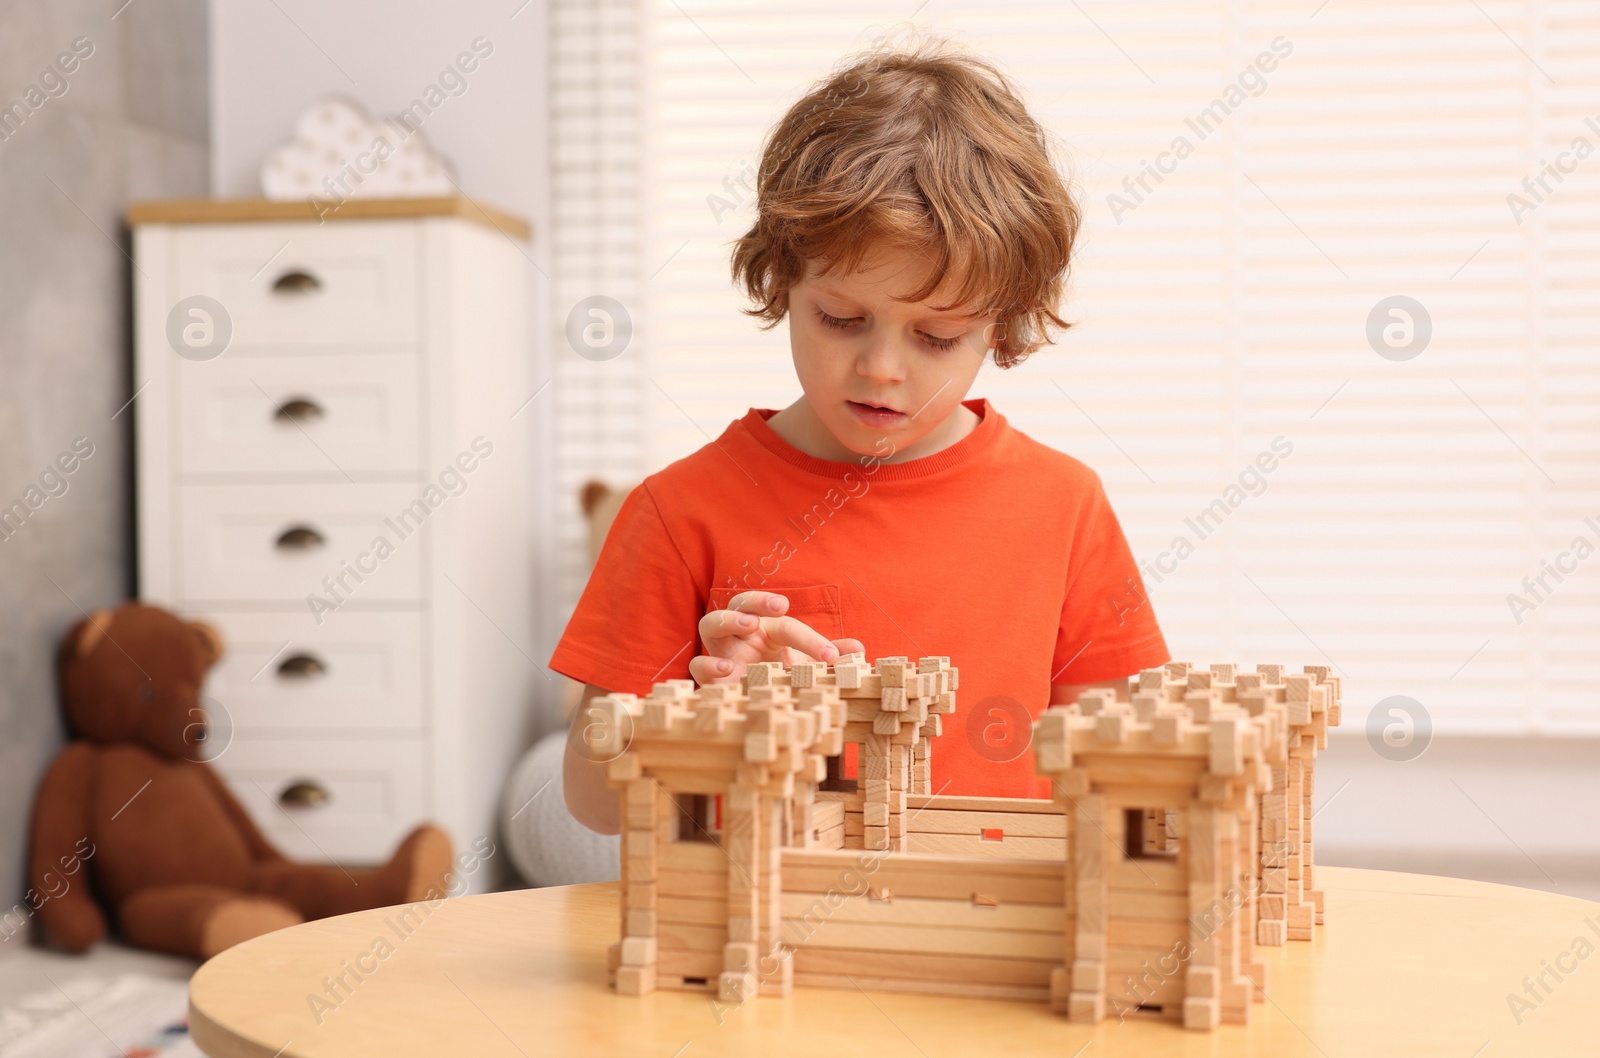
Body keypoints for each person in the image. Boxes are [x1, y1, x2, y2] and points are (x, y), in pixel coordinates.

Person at [553, 36, 1169, 835]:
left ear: (1005, 323)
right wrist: (705, 726)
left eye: (937, 336)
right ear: (781, 278)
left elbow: (1124, 775)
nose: (882, 369)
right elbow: (591, 801)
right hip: (773, 935)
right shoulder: (677, 510)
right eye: (842, 320)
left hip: (1002, 941)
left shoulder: (1064, 504)